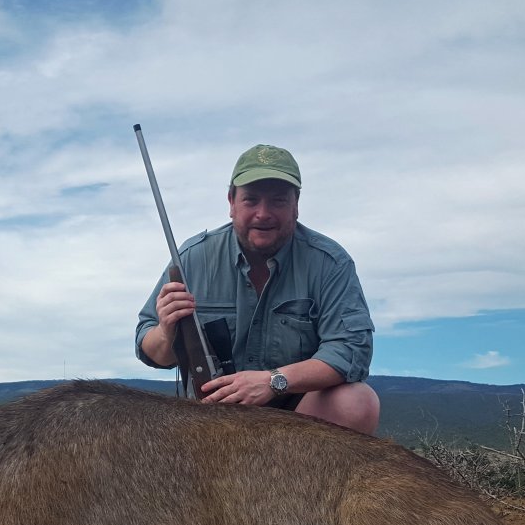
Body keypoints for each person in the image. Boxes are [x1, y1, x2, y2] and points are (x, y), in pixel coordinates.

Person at [135, 144, 381, 434]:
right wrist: (166, 332)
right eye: (251, 200)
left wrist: (273, 381)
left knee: (356, 403)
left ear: (296, 205)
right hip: (209, 418)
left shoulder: (330, 263)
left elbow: (351, 350)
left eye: (278, 201)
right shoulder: (191, 259)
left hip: (297, 424)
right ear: (231, 202)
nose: (263, 214)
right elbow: (151, 351)